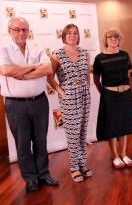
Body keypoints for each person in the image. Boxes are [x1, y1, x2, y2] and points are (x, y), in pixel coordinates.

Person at [0, 17, 59, 193]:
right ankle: (30, 178)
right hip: (15, 105)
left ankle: (43, 174)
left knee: (41, 140)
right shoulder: (3, 48)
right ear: (10, 30)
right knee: (23, 143)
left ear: (28, 31)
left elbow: (48, 69)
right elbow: (6, 70)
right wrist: (34, 66)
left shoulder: (36, 47)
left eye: (24, 29)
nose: (21, 33)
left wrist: (22, 73)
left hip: (39, 101)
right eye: (17, 29)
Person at [47, 24, 92, 183]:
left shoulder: (85, 53)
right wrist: (62, 92)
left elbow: (87, 74)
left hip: (84, 93)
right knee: (73, 134)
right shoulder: (57, 54)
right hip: (68, 95)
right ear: (64, 35)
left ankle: (82, 163)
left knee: (82, 131)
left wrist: (87, 90)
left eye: (75, 33)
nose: (73, 35)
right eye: (69, 33)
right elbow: (49, 77)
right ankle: (73, 167)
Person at [93, 28, 132, 169]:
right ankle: (115, 155)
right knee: (112, 126)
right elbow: (96, 79)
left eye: (116, 37)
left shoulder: (124, 55)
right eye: (110, 37)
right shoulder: (100, 58)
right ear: (106, 40)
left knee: (124, 125)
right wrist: (104, 93)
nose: (113, 40)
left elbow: (128, 73)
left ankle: (123, 154)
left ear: (119, 40)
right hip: (109, 95)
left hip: (124, 94)